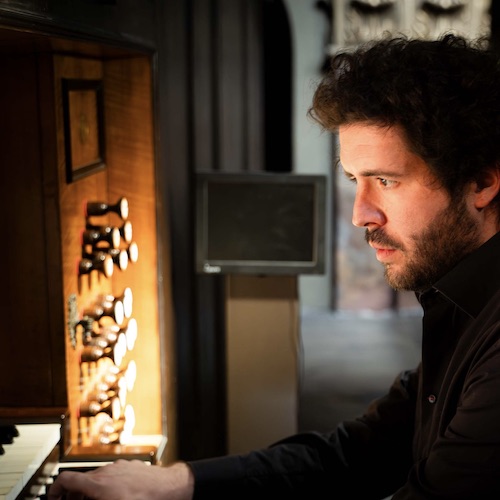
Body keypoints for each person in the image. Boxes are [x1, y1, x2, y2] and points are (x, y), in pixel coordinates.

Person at [48, 33, 500, 499]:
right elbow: (360, 452)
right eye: (355, 180)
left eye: (386, 180)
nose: (360, 214)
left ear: (481, 183)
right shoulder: (458, 302)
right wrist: (176, 483)